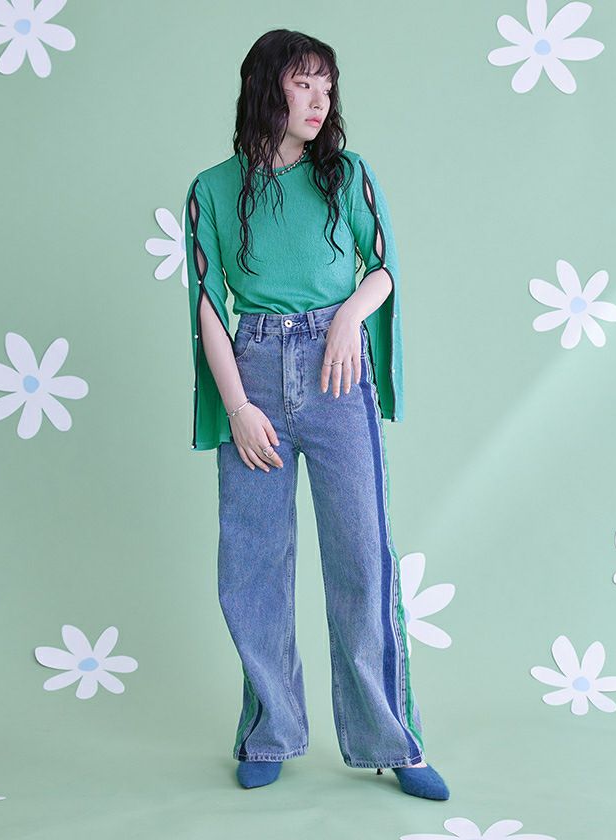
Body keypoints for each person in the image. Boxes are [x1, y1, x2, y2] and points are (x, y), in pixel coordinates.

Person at [184, 28, 450, 801]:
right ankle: (269, 731)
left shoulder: (349, 175)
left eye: (327, 85)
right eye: (304, 82)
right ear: (266, 87)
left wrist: (347, 319)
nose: (320, 98)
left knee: (364, 561)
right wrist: (237, 406)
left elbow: (384, 269)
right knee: (253, 565)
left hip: (339, 373)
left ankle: (392, 742)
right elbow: (207, 304)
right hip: (254, 371)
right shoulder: (211, 190)